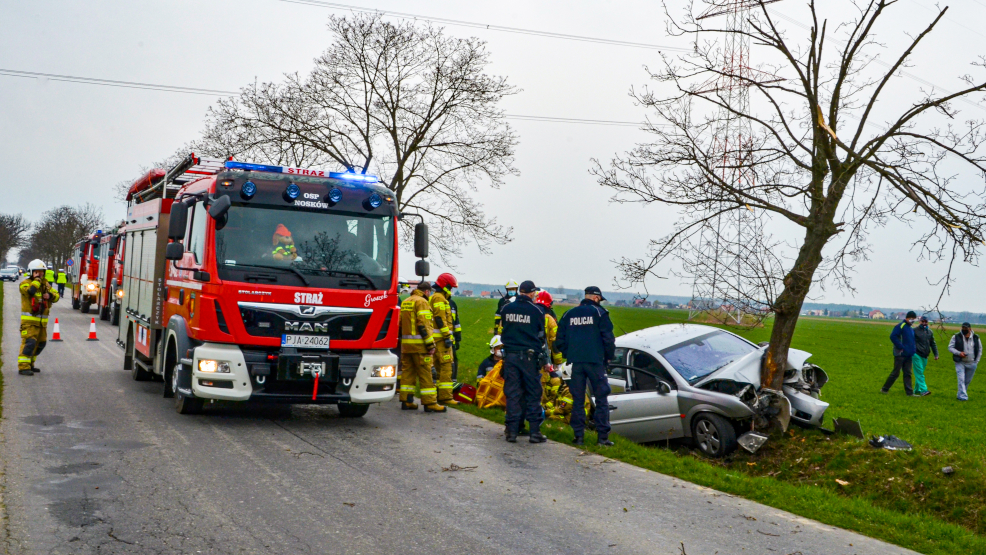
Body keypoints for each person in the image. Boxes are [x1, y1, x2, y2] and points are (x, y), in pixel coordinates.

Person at [556, 286, 616, 446]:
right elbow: (609, 340)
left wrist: (570, 353)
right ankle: (602, 438)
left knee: (578, 400)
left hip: (576, 364)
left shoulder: (569, 314)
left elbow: (559, 340)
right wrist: (608, 358)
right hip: (596, 363)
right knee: (601, 398)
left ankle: (578, 437)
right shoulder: (600, 313)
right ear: (596, 298)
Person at [499, 280, 547, 444]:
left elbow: (503, 328)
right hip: (529, 357)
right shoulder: (537, 311)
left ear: (520, 291)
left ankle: (511, 432)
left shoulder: (506, 308)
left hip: (510, 357)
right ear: (532, 293)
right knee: (533, 394)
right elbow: (541, 336)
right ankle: (535, 432)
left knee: (512, 394)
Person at [399, 281, 444, 412]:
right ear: (427, 291)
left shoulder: (406, 301)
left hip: (407, 346)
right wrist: (430, 344)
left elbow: (400, 323)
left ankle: (407, 401)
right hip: (420, 347)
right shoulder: (422, 302)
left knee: (408, 373)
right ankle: (430, 403)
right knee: (427, 374)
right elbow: (424, 325)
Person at [18, 259, 59, 376]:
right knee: (29, 343)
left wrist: (50, 295)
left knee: (41, 344)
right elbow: (30, 291)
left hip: (42, 323)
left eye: (42, 272)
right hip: (29, 323)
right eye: (37, 272)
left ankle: (30, 363)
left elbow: (56, 296)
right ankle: (23, 367)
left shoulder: (46, 285)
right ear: (31, 272)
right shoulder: (25, 283)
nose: (40, 274)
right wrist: (36, 281)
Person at [431, 273, 459, 405]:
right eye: (451, 287)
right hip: (441, 341)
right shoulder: (439, 298)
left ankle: (438, 395)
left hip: (438, 340)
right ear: (445, 286)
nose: (451, 290)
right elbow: (439, 318)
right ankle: (446, 397)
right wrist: (447, 336)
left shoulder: (438, 297)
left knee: (439, 368)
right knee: (447, 367)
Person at [882, 311, 917, 396]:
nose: (912, 320)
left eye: (914, 319)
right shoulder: (901, 326)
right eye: (911, 318)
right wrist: (901, 347)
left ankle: (909, 393)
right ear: (907, 318)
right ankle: (884, 389)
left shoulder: (911, 329)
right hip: (900, 354)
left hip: (909, 355)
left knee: (908, 373)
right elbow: (893, 336)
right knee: (896, 373)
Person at [948, 322, 981, 401]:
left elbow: (979, 350)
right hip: (960, 362)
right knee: (961, 379)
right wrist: (959, 353)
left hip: (972, 363)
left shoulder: (976, 338)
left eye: (965, 328)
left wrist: (976, 361)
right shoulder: (956, 336)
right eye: (963, 328)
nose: (964, 330)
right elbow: (950, 347)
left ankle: (960, 395)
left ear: (970, 329)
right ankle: (963, 397)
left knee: (966, 381)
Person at [536, 290, 564, 367]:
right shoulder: (550, 318)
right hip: (546, 356)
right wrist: (558, 363)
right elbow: (555, 341)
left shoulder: (530, 313)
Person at [912, 316, 939, 397]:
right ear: (919, 322)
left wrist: (936, 354)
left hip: (925, 355)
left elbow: (933, 344)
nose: (924, 323)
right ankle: (924, 390)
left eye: (925, 321)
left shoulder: (930, 332)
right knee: (919, 372)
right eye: (922, 321)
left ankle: (916, 390)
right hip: (916, 354)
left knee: (919, 373)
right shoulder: (914, 331)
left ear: (928, 322)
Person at [450, 294, 463, 382]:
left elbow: (456, 323)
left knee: (453, 361)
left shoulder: (452, 304)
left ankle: (453, 381)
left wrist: (458, 338)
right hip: (439, 340)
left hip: (451, 340)